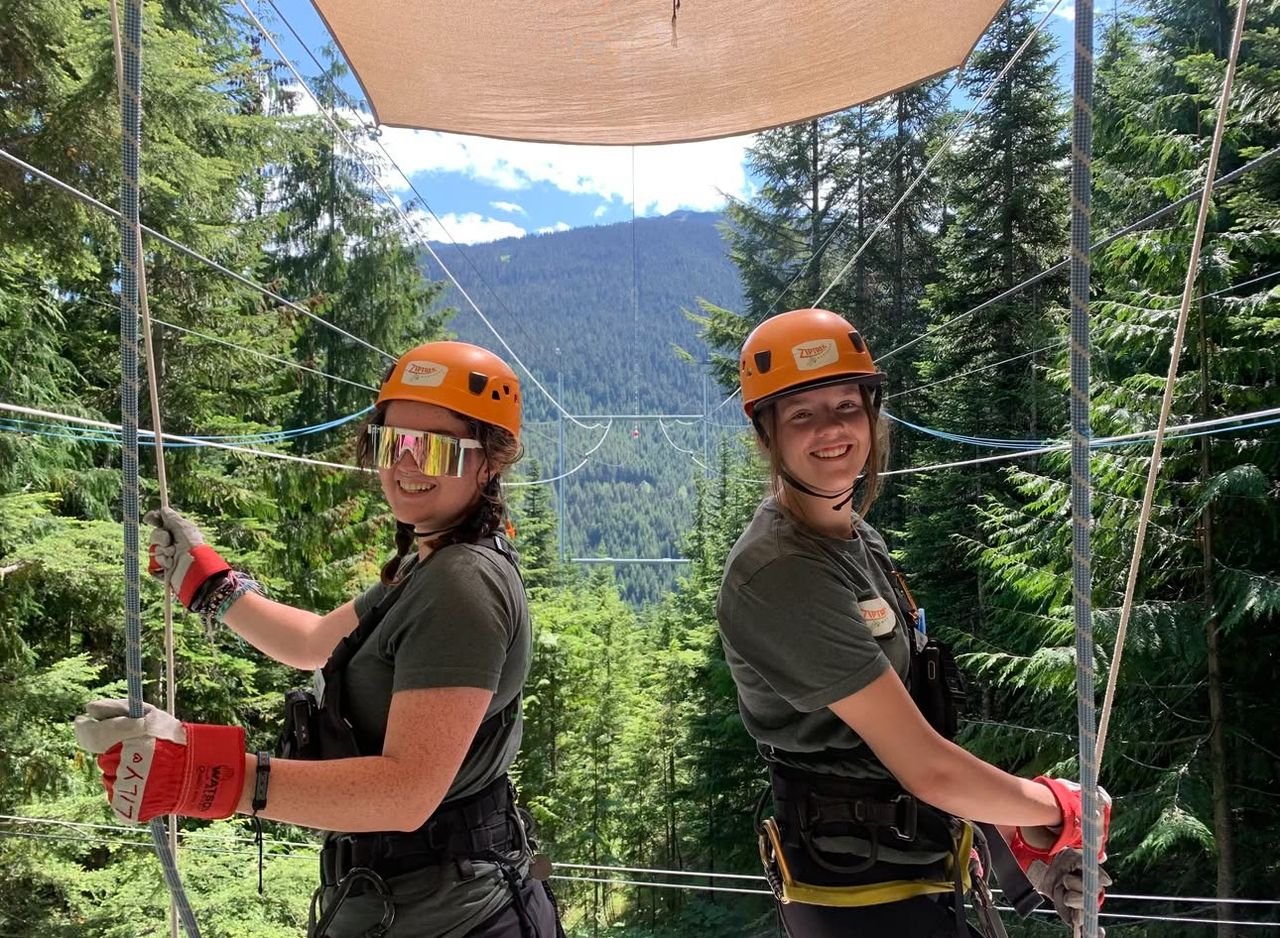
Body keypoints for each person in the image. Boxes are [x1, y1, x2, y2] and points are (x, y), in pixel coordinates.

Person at [74, 341, 564, 938]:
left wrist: (206, 776)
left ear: (490, 461)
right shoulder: (428, 564)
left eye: (435, 447)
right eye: (392, 443)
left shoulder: (462, 583)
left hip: (446, 917)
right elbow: (313, 643)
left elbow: (406, 791)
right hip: (412, 903)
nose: (407, 465)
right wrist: (209, 584)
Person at [717, 308, 1112, 938]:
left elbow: (907, 732)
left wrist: (1020, 840)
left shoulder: (856, 539)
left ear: (872, 415)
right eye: (801, 415)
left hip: (906, 873)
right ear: (767, 435)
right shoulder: (779, 574)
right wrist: (1057, 809)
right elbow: (923, 766)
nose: (831, 430)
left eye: (846, 405)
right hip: (861, 898)